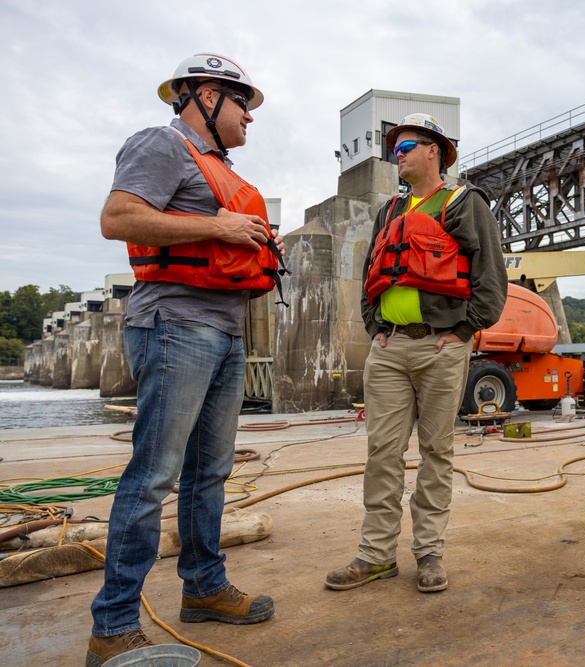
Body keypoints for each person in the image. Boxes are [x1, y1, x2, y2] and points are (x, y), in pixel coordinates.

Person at [88, 53, 281, 666]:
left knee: (210, 471)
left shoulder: (220, 169)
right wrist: (217, 231)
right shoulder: (161, 144)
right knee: (153, 476)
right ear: (203, 96)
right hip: (174, 326)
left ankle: (203, 587)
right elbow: (116, 218)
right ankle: (114, 624)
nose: (251, 115)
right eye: (241, 102)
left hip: (224, 331)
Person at [325, 113, 508, 594]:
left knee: (435, 452)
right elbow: (371, 276)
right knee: (381, 452)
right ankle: (375, 555)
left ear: (435, 151)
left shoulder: (464, 203)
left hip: (441, 346)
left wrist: (464, 330)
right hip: (390, 349)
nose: (397, 154)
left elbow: (491, 280)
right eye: (395, 148)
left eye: (406, 145)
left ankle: (429, 553)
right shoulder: (389, 212)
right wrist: (375, 329)